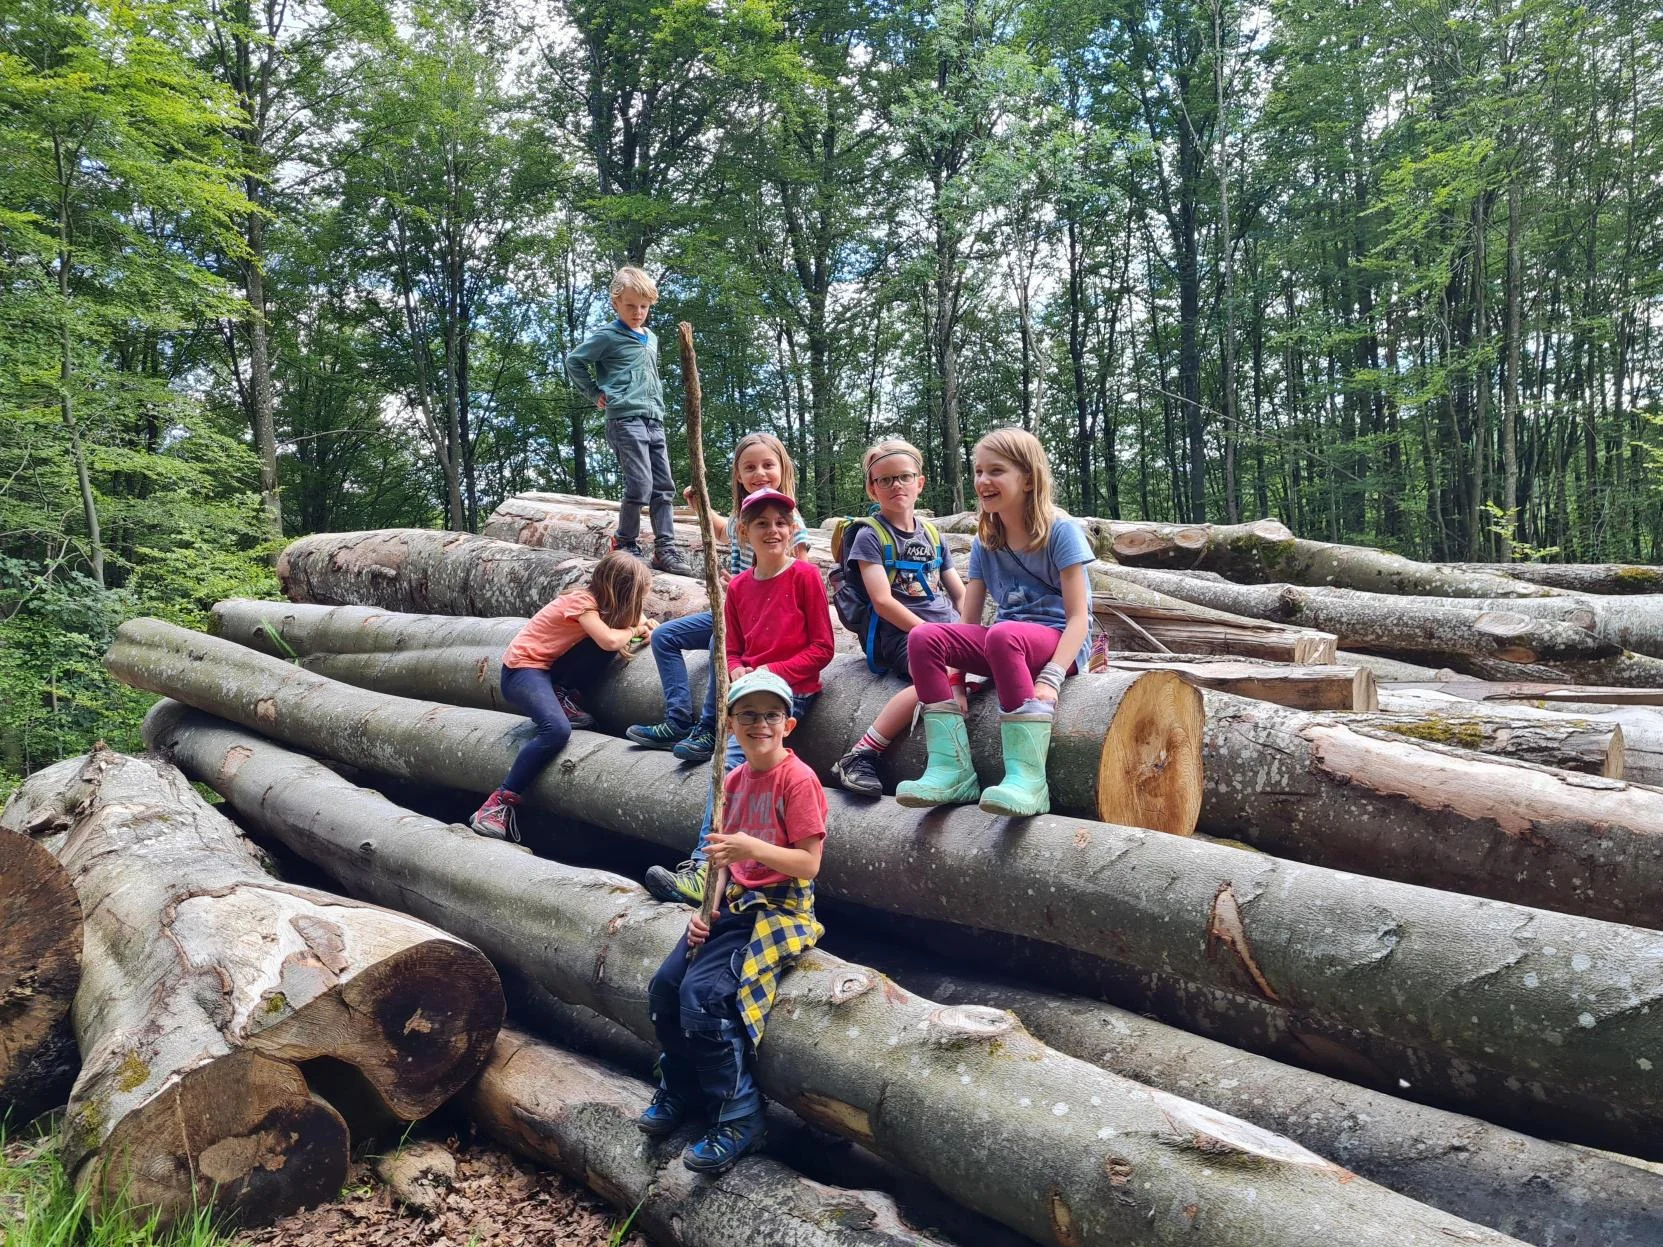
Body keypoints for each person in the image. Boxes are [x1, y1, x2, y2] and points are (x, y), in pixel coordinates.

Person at [638, 668, 825, 1174]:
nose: (759, 724)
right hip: (734, 903)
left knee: (703, 997)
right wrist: (707, 912)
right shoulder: (732, 780)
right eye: (747, 715)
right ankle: (681, 1087)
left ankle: (740, 1115)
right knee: (666, 986)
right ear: (730, 723)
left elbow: (809, 863)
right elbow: (721, 860)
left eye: (770, 715)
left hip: (780, 907)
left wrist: (754, 848)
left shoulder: (798, 779)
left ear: (787, 724)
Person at [645, 486, 833, 905]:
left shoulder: (805, 576)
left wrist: (772, 672)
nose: (773, 530)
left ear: (792, 529)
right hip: (749, 689)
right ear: (744, 532)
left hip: (790, 691)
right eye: (762, 524)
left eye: (781, 523)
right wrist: (737, 671)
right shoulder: (740, 588)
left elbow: (822, 649)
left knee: (733, 762)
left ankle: (704, 870)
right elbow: (730, 646)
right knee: (731, 769)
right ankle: (726, 869)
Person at [895, 427, 1093, 818]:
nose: (984, 481)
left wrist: (1051, 678)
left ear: (1029, 477)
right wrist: (956, 681)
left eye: (996, 471)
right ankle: (951, 770)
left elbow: (1079, 619)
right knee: (924, 637)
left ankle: (1029, 779)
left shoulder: (1061, 531)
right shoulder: (986, 539)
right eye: (979, 471)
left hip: (1059, 645)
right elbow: (966, 626)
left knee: (1002, 634)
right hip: (1006, 644)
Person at [624, 433, 810, 762]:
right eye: (749, 467)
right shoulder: (742, 518)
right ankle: (679, 720)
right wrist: (701, 507)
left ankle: (710, 727)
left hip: (764, 623)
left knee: (717, 644)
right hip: (732, 611)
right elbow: (724, 530)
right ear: (738, 475)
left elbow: (798, 575)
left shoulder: (789, 521)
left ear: (783, 468)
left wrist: (752, 586)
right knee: (665, 635)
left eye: (769, 465)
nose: (760, 473)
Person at [470, 551, 655, 840]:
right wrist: (635, 629)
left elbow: (636, 621)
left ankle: (563, 696)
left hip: (548, 669)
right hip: (522, 671)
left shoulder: (601, 605)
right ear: (621, 590)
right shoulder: (582, 602)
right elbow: (609, 639)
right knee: (556, 730)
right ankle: (498, 803)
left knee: (603, 645)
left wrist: (647, 625)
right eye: (636, 595)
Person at [829, 439, 966, 796]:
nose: (896, 486)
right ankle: (862, 754)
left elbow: (959, 593)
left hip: (945, 630)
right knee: (940, 680)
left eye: (904, 477)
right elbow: (883, 601)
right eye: (885, 480)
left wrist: (972, 631)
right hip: (901, 636)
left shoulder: (933, 534)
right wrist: (931, 636)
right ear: (872, 488)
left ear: (919, 482)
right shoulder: (870, 536)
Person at [564, 266, 696, 577]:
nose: (638, 312)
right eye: (630, 305)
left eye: (644, 306)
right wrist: (594, 392)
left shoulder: (651, 338)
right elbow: (575, 361)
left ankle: (666, 549)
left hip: (654, 419)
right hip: (624, 419)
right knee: (640, 484)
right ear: (615, 304)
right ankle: (625, 542)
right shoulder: (608, 336)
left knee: (664, 487)